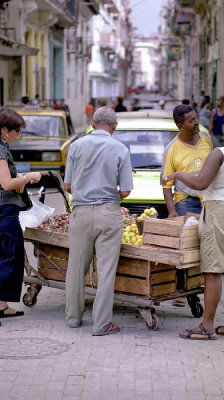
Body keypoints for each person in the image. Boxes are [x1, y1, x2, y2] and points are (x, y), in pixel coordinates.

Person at [162, 115, 224, 340]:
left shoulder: (219, 154)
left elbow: (200, 183)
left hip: (219, 212)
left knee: (213, 272)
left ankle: (207, 327)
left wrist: (177, 174)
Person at [64, 106, 133, 336]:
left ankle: (73, 318)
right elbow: (125, 191)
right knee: (106, 271)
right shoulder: (121, 149)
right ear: (115, 127)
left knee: (75, 268)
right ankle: (101, 324)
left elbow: (67, 186)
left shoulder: (76, 146)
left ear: (92, 124)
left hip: (81, 212)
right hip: (108, 213)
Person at [0, 108, 41, 323]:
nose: (18, 135)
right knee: (9, 256)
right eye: (16, 131)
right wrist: (27, 177)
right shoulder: (0, 150)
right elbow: (6, 184)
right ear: (4, 130)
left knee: (5, 256)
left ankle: (3, 305)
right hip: (4, 212)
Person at [161, 104, 212, 218]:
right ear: (181, 126)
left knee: (210, 235)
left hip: (209, 200)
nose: (197, 122)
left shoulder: (206, 139)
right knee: (189, 236)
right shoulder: (171, 149)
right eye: (191, 120)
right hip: (185, 203)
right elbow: (166, 185)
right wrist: (172, 211)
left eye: (196, 118)